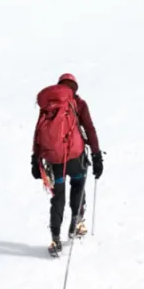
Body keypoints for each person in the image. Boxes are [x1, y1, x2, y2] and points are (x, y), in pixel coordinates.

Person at [32, 73, 103, 256]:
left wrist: (35, 159)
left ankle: (55, 239)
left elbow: (38, 133)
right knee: (78, 185)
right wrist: (96, 155)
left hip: (55, 160)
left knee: (58, 198)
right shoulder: (77, 103)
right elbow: (89, 128)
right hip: (75, 158)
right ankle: (76, 223)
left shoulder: (49, 107)